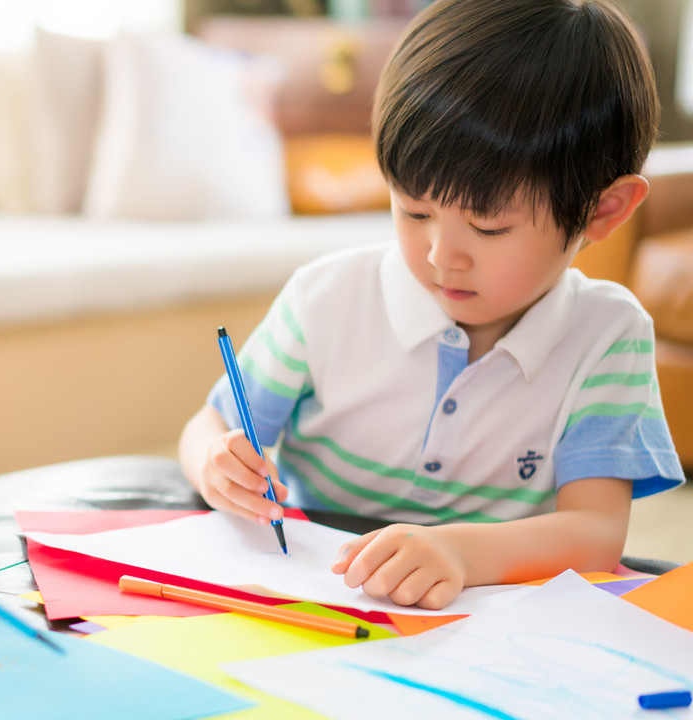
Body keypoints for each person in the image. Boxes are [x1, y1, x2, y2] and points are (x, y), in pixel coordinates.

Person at [179, 0, 686, 610]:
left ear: (603, 211)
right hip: (316, 593)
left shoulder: (608, 333)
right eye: (414, 211)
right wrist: (214, 461)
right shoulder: (327, 298)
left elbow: (596, 534)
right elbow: (211, 427)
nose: (444, 255)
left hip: (483, 624)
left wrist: (461, 553)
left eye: (490, 227)